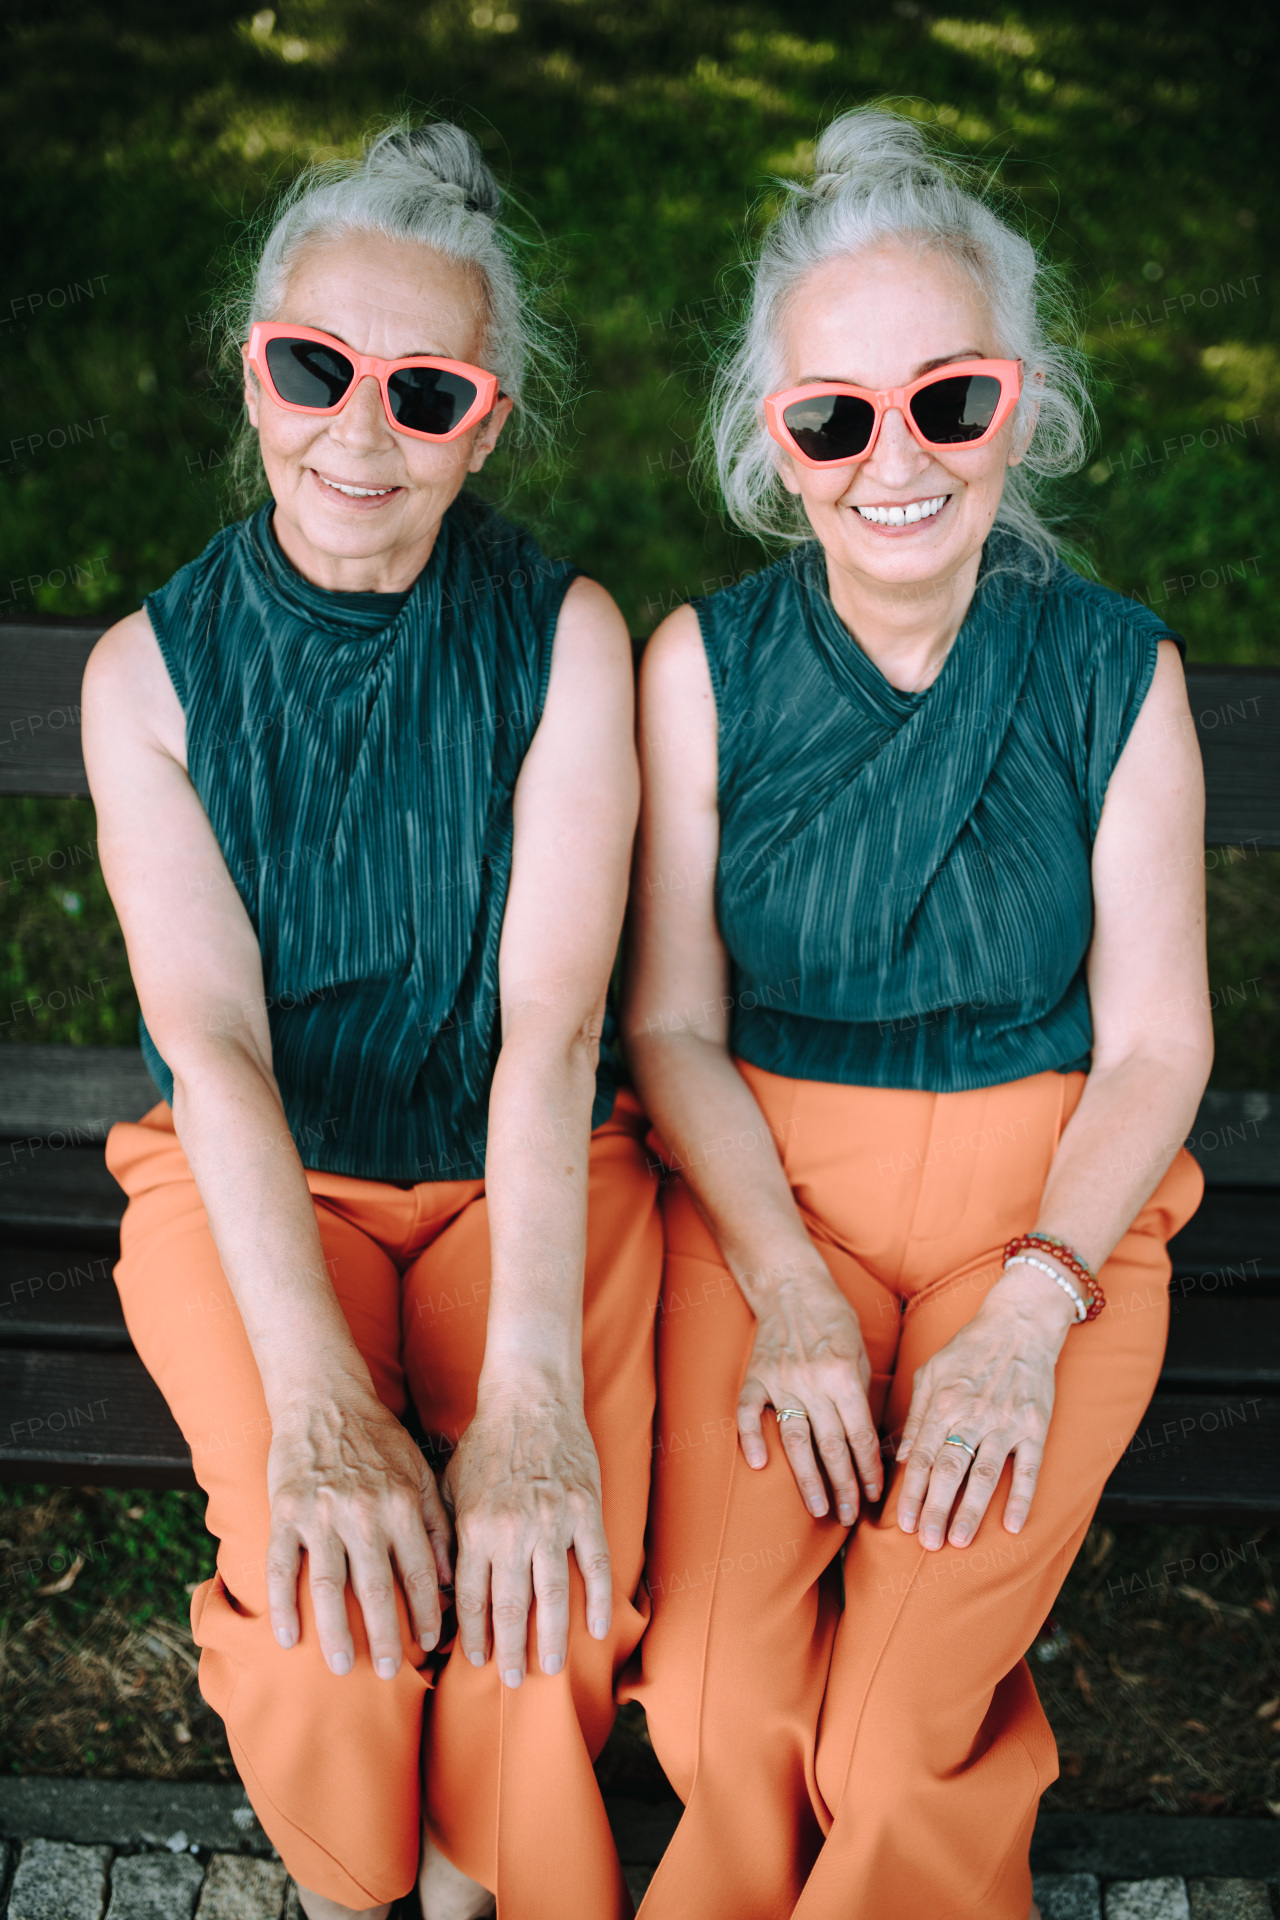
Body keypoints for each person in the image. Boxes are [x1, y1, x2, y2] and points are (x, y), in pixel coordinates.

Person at [621, 107, 1210, 1920]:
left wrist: (1035, 1306)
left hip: (1048, 1224)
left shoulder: (1120, 671)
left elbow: (1159, 1045)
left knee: (885, 1744)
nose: (896, 459)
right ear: (772, 440)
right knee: (717, 1716)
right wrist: (789, 1283)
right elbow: (670, 1028)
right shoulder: (699, 666)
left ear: (1016, 406)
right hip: (764, 1205)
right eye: (832, 416)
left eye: (947, 400)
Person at [84, 122, 661, 1920]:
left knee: (540, 1567)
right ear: (253, 370)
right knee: (322, 1575)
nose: (358, 432)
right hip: (266, 1172)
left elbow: (554, 1028)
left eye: (424, 393)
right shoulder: (148, 677)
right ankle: (354, 1893)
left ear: (481, 424)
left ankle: (479, 1886)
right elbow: (216, 1046)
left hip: (527, 1165)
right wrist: (324, 1399)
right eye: (314, 370)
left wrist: (530, 1394)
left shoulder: (565, 637)